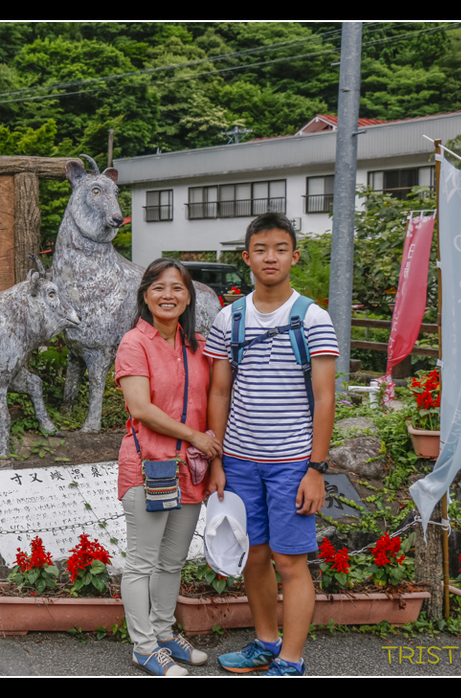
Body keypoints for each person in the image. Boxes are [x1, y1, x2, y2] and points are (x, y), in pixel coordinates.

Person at [204, 213, 339, 677]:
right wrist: (217, 458)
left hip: (292, 462)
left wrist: (316, 468)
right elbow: (219, 391)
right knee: (254, 554)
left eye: (280, 248)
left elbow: (325, 398)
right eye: (260, 249)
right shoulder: (230, 317)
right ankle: (265, 643)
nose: (270, 257)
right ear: (246, 258)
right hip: (239, 459)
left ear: (294, 256)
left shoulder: (312, 318)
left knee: (290, 560)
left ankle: (291, 659)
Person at [115, 258, 223, 677]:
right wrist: (196, 437)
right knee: (142, 562)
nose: (168, 295)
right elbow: (140, 407)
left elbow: (212, 405)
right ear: (145, 294)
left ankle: (162, 633)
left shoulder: (197, 346)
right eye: (159, 287)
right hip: (149, 466)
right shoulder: (133, 343)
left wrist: (213, 460)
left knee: (172, 561)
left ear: (189, 297)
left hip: (190, 470)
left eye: (177, 288)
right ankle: (143, 646)